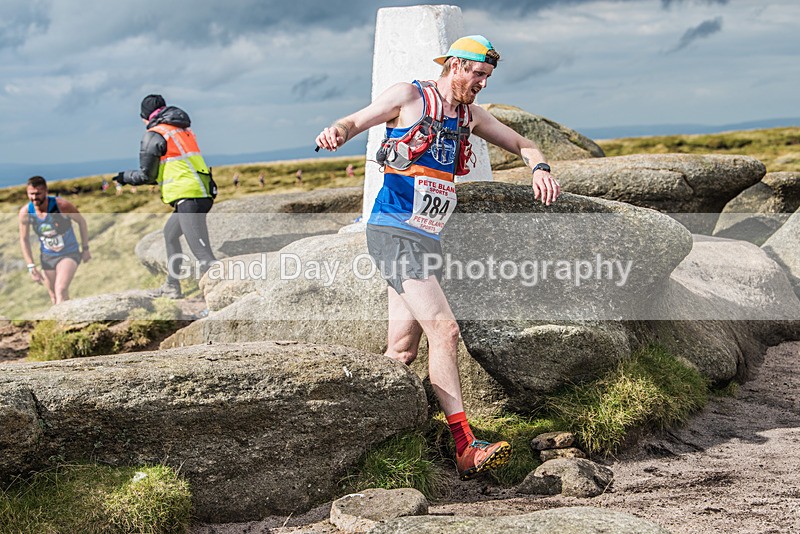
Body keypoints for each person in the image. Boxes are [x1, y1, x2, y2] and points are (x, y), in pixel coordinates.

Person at [315, 35, 561, 480]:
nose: (483, 83)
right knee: (445, 330)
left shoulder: (471, 115)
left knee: (401, 351)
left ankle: (376, 437)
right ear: (456, 66)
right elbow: (355, 120)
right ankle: (465, 445)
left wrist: (539, 169)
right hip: (393, 233)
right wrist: (338, 131)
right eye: (479, 75)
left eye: (488, 77)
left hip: (425, 238)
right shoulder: (410, 96)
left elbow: (526, 145)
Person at [115, 94, 218, 299]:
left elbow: (147, 174)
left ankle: (221, 298)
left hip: (189, 196)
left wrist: (124, 177)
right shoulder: (181, 130)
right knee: (170, 234)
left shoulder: (155, 134)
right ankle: (172, 285)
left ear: (144, 116)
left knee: (202, 254)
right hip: (199, 192)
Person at [18, 176, 92, 305]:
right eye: (31, 194)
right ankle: (69, 320)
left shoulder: (62, 206)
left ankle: (62, 324)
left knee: (61, 290)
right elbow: (24, 239)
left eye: (38, 194)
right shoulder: (26, 212)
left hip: (69, 253)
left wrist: (85, 248)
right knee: (53, 296)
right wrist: (31, 266)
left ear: (46, 192)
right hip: (47, 256)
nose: (34, 198)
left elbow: (81, 222)